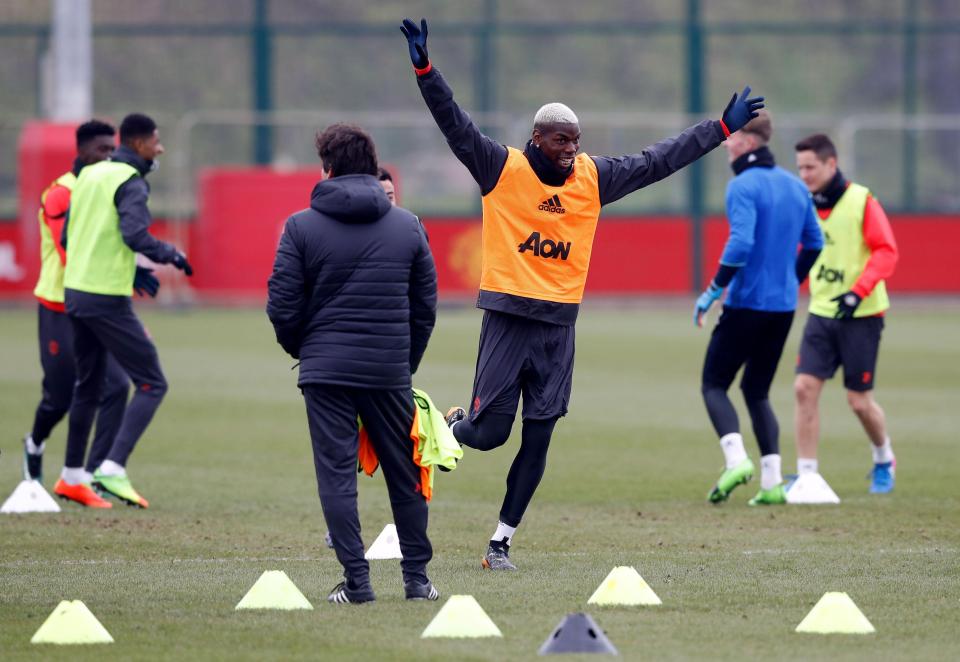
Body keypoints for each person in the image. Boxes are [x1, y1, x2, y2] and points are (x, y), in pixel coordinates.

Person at [401, 17, 764, 569]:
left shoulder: (593, 177)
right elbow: (454, 123)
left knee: (540, 439)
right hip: (507, 319)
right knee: (492, 434)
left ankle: (500, 542)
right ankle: (453, 425)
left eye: (576, 139)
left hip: (558, 329)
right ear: (537, 138)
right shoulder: (501, 167)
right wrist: (426, 69)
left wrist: (719, 127)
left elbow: (658, 160)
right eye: (561, 139)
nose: (571, 148)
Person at [267, 123, 439, 604]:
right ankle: (417, 581)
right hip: (388, 369)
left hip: (325, 372)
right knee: (405, 475)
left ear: (327, 168)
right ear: (371, 166)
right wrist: (405, 362)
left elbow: (281, 305)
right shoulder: (407, 225)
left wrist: (306, 350)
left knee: (336, 476)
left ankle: (358, 584)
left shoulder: (300, 226)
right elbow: (425, 306)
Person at [61, 112, 193, 508]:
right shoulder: (129, 181)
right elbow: (134, 234)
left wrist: (131, 269)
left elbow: (71, 235)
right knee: (152, 382)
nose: (160, 148)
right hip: (105, 298)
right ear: (138, 144)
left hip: (76, 292)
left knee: (93, 385)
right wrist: (171, 253)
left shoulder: (91, 175)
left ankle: (73, 476)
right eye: (156, 141)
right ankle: (111, 467)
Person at [693, 111, 823, 506]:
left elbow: (741, 243)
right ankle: (771, 483)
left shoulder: (742, 185)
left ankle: (736, 461)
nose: (727, 143)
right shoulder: (794, 185)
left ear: (748, 142)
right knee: (757, 390)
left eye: (732, 138)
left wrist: (714, 289)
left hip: (747, 302)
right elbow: (815, 243)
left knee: (714, 383)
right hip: (782, 307)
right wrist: (788, 280)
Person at [23, 120, 154, 508]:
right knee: (61, 396)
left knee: (115, 386)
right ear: (80, 152)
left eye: (112, 151)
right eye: (101, 151)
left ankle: (93, 474)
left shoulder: (104, 185)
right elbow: (73, 251)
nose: (109, 157)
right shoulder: (61, 192)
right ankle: (35, 443)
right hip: (59, 306)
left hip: (96, 305)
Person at [792, 134, 899, 493]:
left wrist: (858, 292)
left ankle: (884, 457)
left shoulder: (861, 201)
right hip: (821, 312)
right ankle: (807, 474)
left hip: (862, 314)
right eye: (800, 168)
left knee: (858, 402)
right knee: (804, 388)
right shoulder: (805, 203)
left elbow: (886, 251)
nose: (804, 174)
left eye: (810, 167)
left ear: (831, 164)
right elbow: (803, 252)